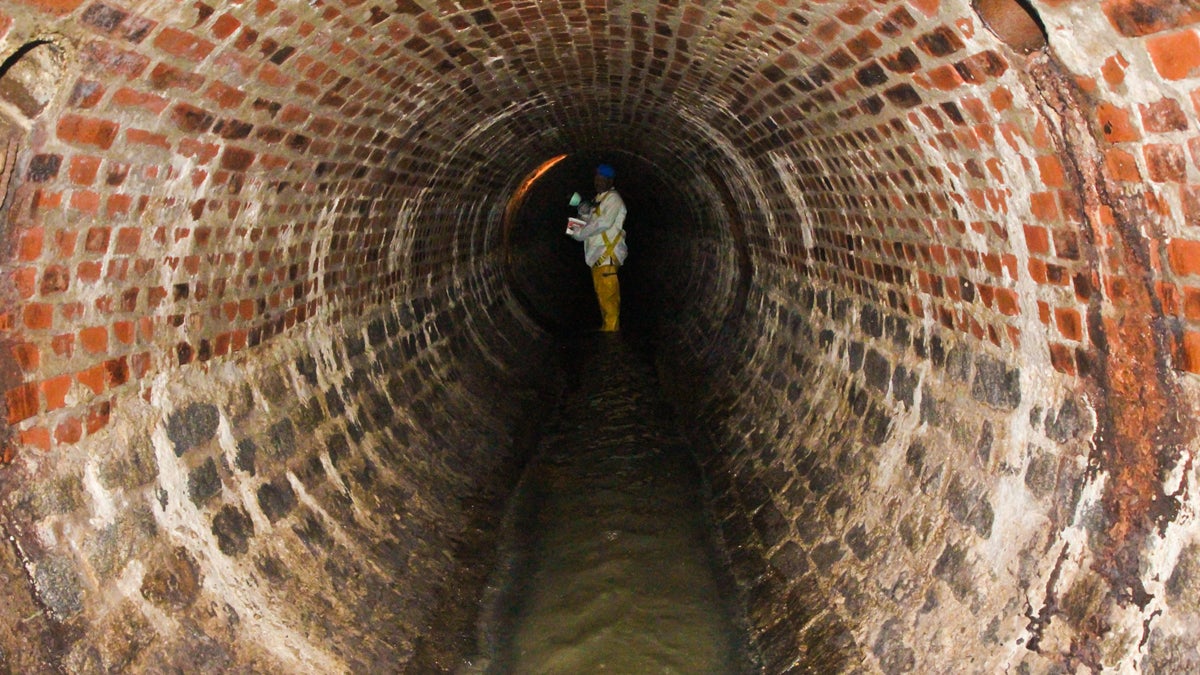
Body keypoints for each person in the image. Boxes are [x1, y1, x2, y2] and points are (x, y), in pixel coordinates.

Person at [567, 164, 627, 332]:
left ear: (610, 181)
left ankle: (612, 341)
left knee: (609, 303)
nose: (598, 183)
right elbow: (577, 230)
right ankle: (608, 332)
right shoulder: (598, 199)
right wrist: (582, 213)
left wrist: (579, 234)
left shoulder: (613, 199)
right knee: (604, 300)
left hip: (606, 256)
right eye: (596, 179)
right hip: (596, 258)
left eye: (602, 180)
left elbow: (603, 223)